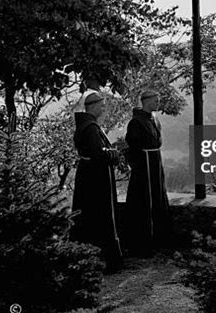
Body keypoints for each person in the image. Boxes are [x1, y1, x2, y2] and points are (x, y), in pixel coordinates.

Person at [70, 91, 123, 273]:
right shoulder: (91, 128)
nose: (104, 108)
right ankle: (105, 260)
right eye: (101, 105)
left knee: (88, 216)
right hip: (96, 178)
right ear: (92, 107)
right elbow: (98, 154)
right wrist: (114, 152)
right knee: (100, 216)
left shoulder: (85, 125)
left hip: (87, 175)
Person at [125, 89, 170, 256]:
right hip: (144, 167)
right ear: (146, 101)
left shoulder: (154, 119)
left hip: (155, 162)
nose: (158, 103)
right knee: (144, 200)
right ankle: (143, 242)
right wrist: (139, 165)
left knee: (158, 196)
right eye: (155, 100)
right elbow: (132, 146)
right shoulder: (136, 122)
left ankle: (159, 239)